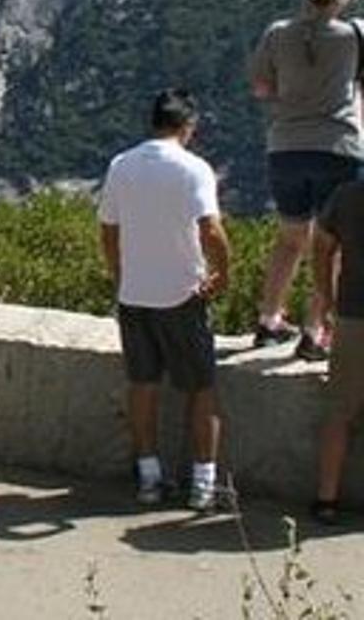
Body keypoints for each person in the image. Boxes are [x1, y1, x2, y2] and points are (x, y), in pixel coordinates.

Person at [98, 89, 232, 510]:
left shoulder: (122, 165)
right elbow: (210, 229)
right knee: (201, 388)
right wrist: (223, 273)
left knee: (143, 385)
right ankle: (203, 484)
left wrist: (121, 275)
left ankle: (150, 477)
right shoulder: (193, 169)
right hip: (182, 294)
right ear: (187, 126)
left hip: (134, 294)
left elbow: (108, 230)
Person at [249, 0, 364, 361]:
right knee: (331, 245)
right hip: (338, 149)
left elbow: (261, 87)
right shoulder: (354, 35)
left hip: (285, 148)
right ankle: (316, 330)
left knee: (290, 238)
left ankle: (269, 320)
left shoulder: (277, 33)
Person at [310, 170, 364, 524]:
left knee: (339, 411)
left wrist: (326, 298)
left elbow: (321, 246)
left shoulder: (347, 196)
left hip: (353, 313)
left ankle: (326, 498)